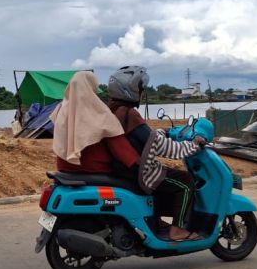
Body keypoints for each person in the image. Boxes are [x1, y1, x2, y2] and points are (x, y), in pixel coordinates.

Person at [107, 65, 205, 241]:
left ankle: (157, 220)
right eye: (140, 88)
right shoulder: (129, 114)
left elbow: (146, 137)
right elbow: (162, 148)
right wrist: (193, 146)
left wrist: (162, 131)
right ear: (129, 90)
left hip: (124, 170)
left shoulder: (115, 110)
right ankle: (178, 229)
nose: (142, 92)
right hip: (141, 174)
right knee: (185, 181)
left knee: (167, 175)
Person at [52, 71, 139, 176]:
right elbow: (119, 147)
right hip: (96, 169)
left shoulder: (60, 110)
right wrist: (136, 162)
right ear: (92, 86)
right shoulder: (99, 112)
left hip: (64, 169)